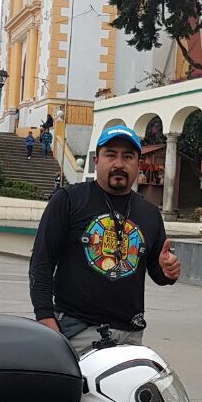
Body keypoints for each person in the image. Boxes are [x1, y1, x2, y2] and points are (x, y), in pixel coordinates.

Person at [29, 125, 180, 355]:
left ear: (138, 164)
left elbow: (158, 273)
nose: (119, 164)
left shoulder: (149, 213)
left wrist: (168, 270)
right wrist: (45, 317)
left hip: (130, 335)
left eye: (128, 157)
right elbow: (41, 262)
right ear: (96, 160)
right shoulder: (68, 200)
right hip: (75, 331)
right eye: (111, 155)